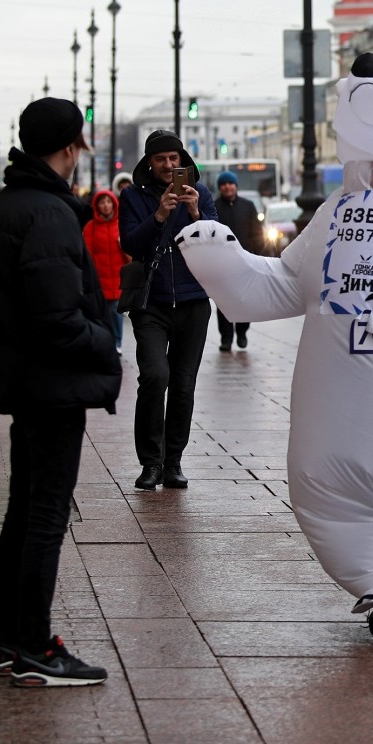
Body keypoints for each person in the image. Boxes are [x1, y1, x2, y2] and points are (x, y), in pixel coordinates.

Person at [180, 48, 373, 640]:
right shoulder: (338, 211)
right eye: (371, 164)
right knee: (331, 488)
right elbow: (289, 284)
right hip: (340, 406)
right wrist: (225, 268)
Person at [0, 97, 121, 686]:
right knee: (44, 515)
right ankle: (33, 646)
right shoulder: (49, 214)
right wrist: (104, 344)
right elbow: (56, 317)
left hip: (26, 383)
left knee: (23, 513)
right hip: (52, 386)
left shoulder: (10, 205)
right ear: (69, 149)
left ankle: (9, 641)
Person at [118, 130, 217, 492]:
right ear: (148, 162)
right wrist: (159, 215)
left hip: (193, 301)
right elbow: (130, 243)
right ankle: (150, 462)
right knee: (155, 376)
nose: (168, 165)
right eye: (160, 159)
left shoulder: (201, 194)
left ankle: (173, 461)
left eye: (173, 158)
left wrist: (194, 211)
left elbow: (218, 240)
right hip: (152, 303)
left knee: (183, 384)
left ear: (182, 160)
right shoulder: (133, 197)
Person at [211, 170, 263, 352]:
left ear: (236, 186)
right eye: (223, 184)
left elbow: (257, 233)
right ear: (220, 187)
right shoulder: (214, 207)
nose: (227, 187)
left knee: (244, 300)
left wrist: (258, 256)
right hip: (222, 264)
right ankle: (226, 338)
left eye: (230, 183)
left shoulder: (248, 206)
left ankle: (242, 332)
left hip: (245, 262)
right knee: (223, 302)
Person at [82, 189, 127, 351]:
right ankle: (106, 341)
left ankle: (117, 343)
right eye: (102, 202)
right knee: (102, 312)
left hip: (117, 277)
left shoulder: (121, 224)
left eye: (109, 202)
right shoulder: (90, 227)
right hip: (99, 278)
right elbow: (87, 253)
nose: (106, 205)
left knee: (116, 311)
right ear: (97, 206)